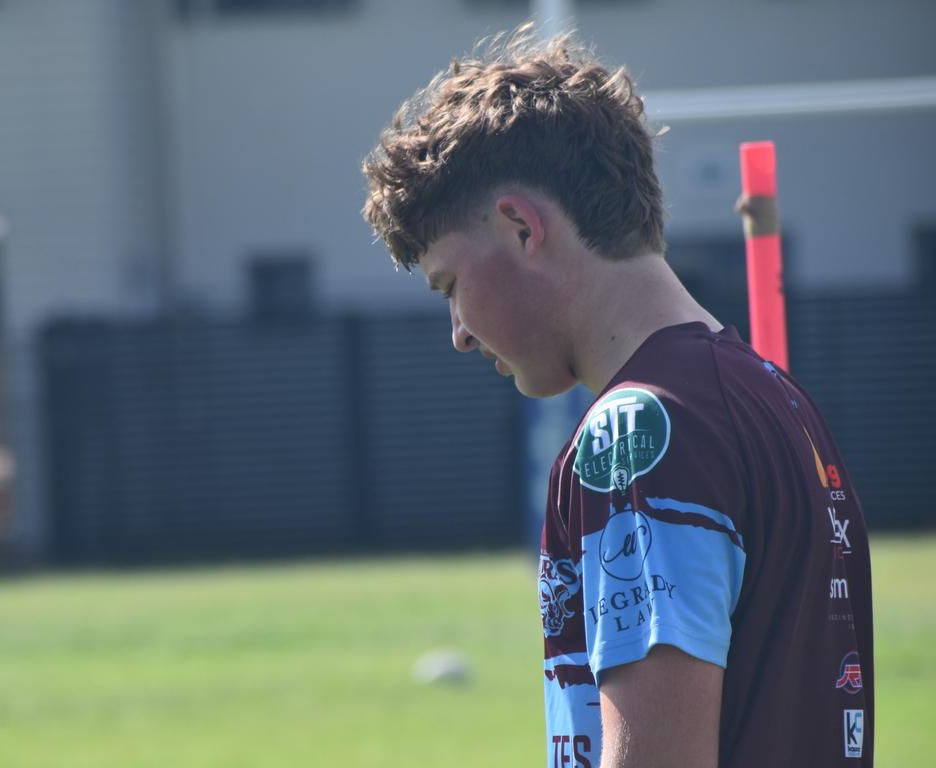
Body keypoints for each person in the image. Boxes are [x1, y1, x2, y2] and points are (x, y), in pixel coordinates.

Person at [361, 24, 873, 768]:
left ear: (519, 228)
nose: (459, 333)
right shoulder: (776, 397)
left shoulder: (636, 433)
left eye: (451, 285)